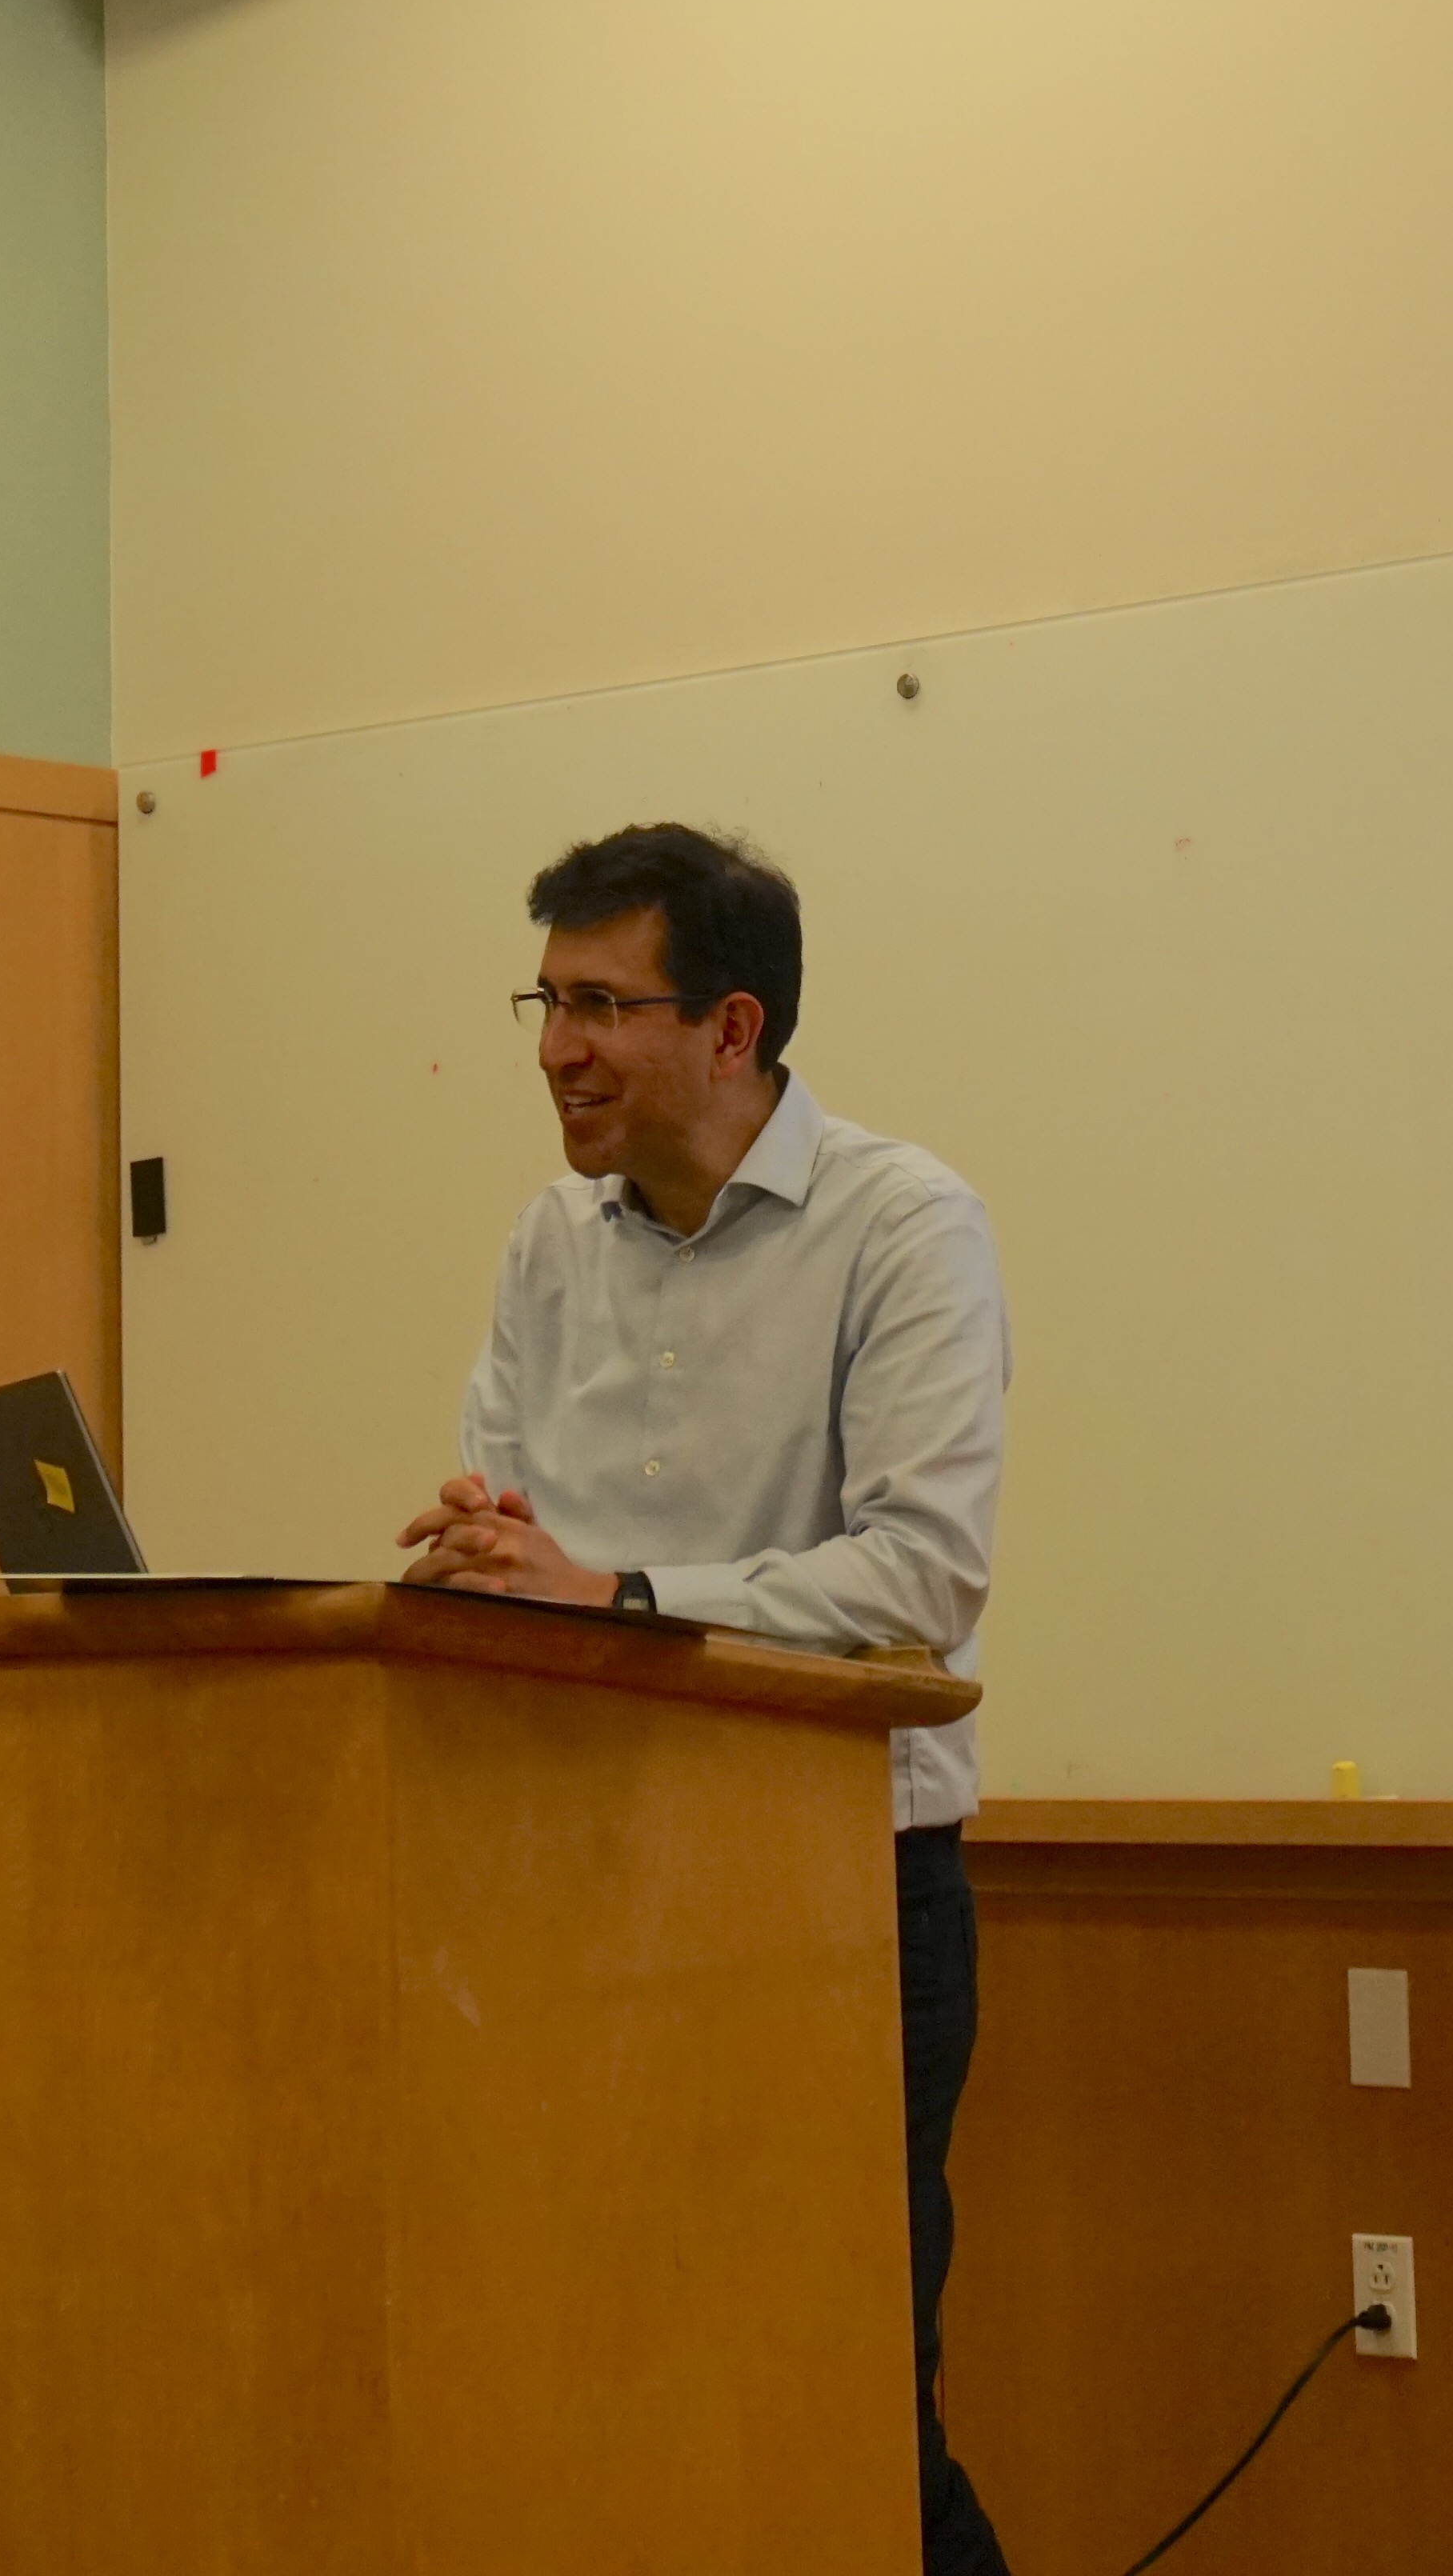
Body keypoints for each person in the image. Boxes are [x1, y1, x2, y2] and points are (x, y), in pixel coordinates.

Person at [398, 823, 1012, 2576]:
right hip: (572, 1875)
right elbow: (512, 1499)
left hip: (834, 1891)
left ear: (731, 1029)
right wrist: (483, 1545)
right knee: (608, 2362)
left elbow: (917, 1582)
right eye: (545, 998)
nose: (552, 1046)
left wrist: (622, 1595)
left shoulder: (904, 1224)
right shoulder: (548, 1240)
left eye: (602, 1003)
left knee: (839, 2394)